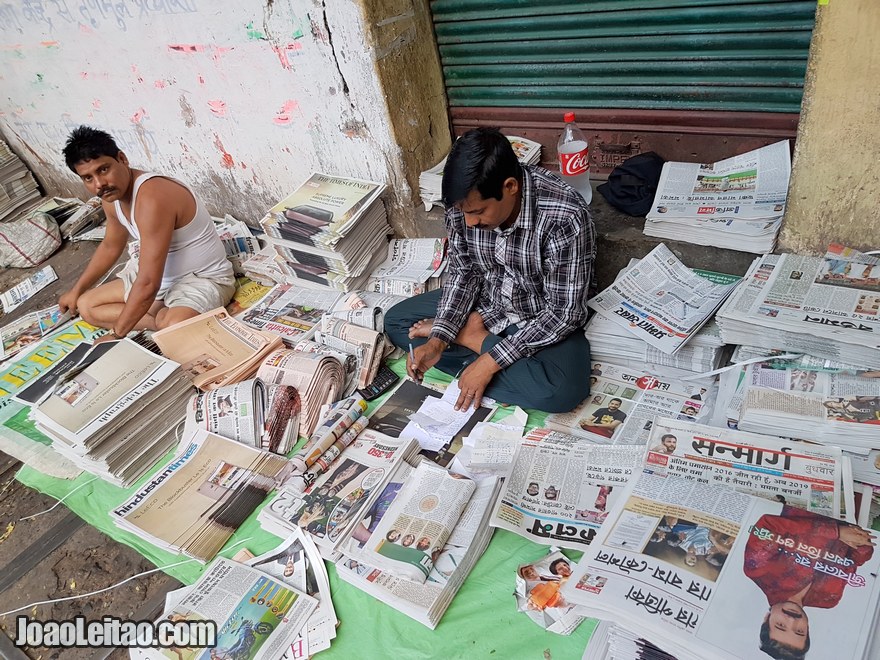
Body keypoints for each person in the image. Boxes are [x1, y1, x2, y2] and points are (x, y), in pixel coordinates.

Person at [384, 127, 595, 413]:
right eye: (463, 212)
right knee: (396, 322)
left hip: (537, 315)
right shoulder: (463, 204)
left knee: (562, 393)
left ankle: (472, 340)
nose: (469, 222)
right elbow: (464, 274)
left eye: (478, 212)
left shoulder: (565, 215)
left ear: (510, 187)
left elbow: (564, 313)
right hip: (487, 303)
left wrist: (490, 359)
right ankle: (475, 351)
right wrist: (438, 340)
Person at [57, 126, 234, 337]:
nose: (99, 184)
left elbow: (149, 282)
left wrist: (116, 334)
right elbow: (111, 245)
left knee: (172, 327)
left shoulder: (152, 197)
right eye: (88, 178)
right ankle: (158, 318)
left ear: (122, 159)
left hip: (199, 279)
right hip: (160, 280)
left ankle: (164, 318)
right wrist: (77, 290)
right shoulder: (110, 197)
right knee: (86, 306)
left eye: (103, 169)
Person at [744, 505, 875, 659]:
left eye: (781, 625)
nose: (792, 621)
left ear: (767, 619)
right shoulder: (828, 599)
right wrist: (861, 543)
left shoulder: (758, 571)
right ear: (807, 628)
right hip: (856, 508)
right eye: (799, 631)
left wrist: (836, 532)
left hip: (813, 498)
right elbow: (853, 560)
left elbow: (768, 526)